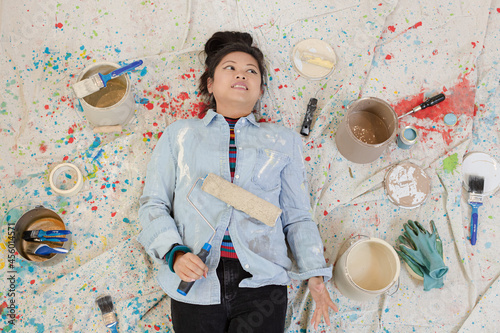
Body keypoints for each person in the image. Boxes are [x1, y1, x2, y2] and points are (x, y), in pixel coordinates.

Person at [138, 31, 337, 332]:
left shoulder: (284, 141)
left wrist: (315, 275)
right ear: (210, 83)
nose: (241, 74)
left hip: (263, 283)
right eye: (229, 67)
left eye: (251, 71)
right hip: (195, 280)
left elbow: (297, 216)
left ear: (260, 89)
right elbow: (154, 203)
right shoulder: (180, 134)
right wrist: (173, 252)